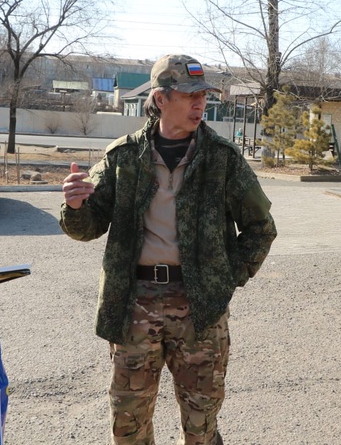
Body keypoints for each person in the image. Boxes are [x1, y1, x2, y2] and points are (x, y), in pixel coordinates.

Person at [60, 54, 277, 445]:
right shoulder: (123, 157)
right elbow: (87, 227)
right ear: (161, 99)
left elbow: (261, 228)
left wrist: (226, 278)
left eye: (204, 96)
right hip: (135, 305)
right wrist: (75, 207)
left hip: (200, 309)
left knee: (201, 424)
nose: (200, 104)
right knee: (128, 421)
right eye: (189, 95)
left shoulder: (222, 159)